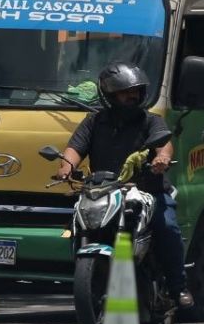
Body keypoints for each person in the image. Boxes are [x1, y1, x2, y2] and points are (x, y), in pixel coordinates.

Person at [55, 61, 193, 309]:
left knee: (168, 228)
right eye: (125, 91)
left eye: (136, 91)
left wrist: (161, 158)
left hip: (148, 190)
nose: (133, 96)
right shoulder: (93, 122)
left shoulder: (151, 121)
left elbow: (164, 144)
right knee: (75, 226)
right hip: (105, 190)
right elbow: (75, 148)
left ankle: (177, 287)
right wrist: (66, 168)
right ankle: (87, 280)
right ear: (109, 95)